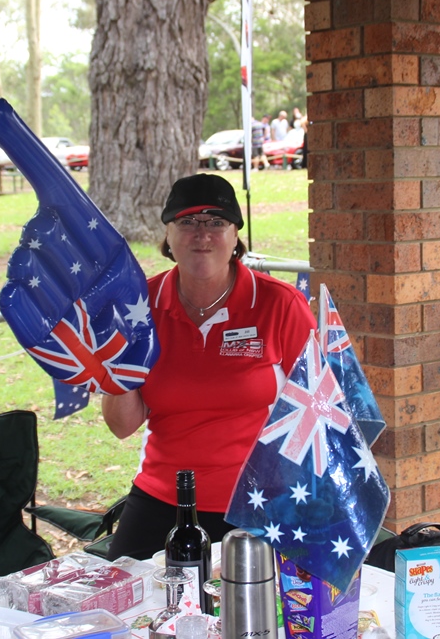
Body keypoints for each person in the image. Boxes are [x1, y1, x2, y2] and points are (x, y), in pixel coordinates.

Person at [102, 174, 316, 559]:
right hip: (162, 496)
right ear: (167, 235)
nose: (202, 234)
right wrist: (117, 365)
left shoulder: (279, 304)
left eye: (216, 222)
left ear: (236, 236)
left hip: (257, 500)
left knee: (258, 612)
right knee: (127, 602)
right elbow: (122, 426)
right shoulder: (136, 306)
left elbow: (322, 410)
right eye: (187, 222)